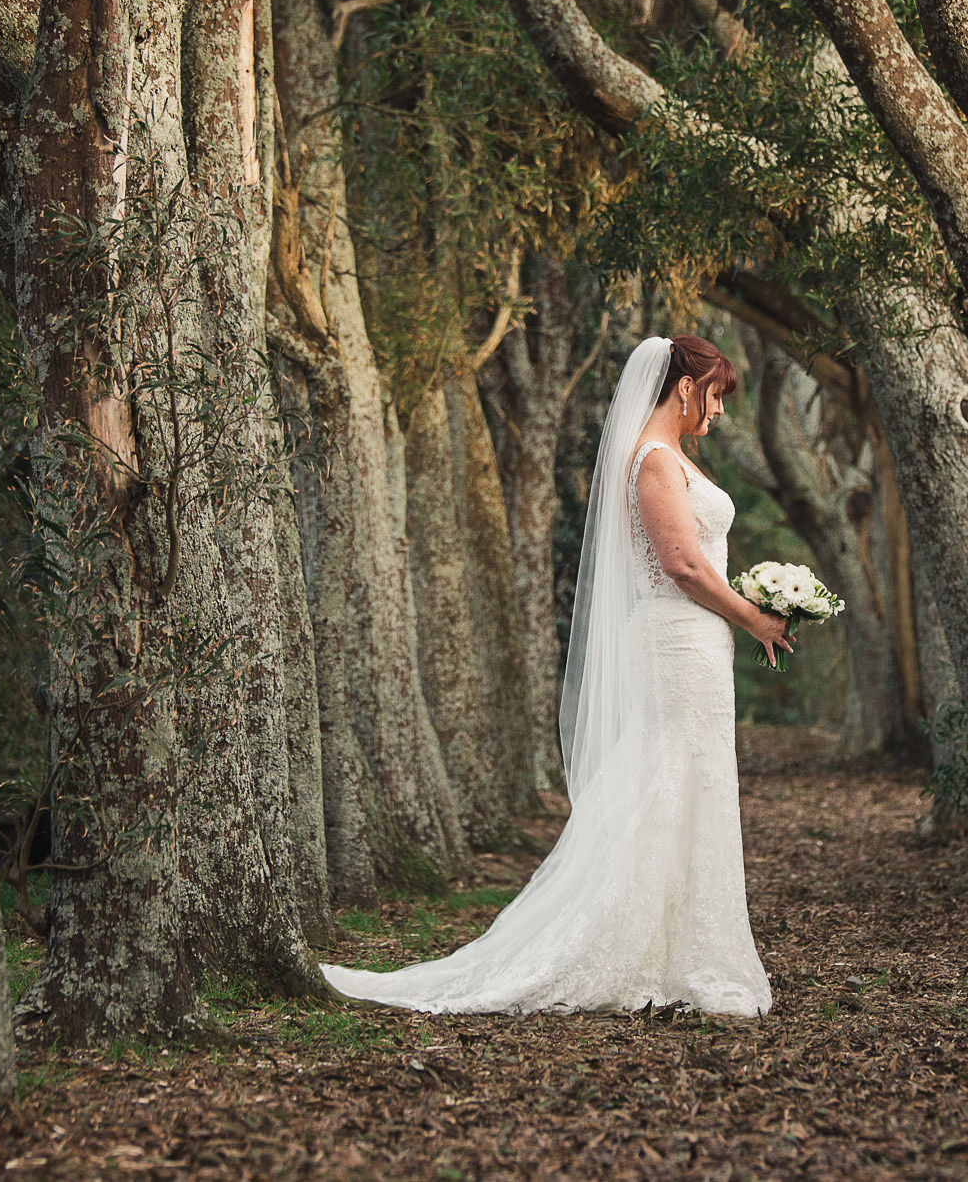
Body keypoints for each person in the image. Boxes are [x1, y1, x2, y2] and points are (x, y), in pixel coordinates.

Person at [319, 335, 792, 1016]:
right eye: (715, 394)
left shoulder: (675, 458)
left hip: (697, 643)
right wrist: (755, 616)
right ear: (685, 386)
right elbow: (684, 567)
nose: (718, 411)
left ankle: (683, 945)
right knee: (667, 775)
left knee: (691, 779)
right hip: (676, 639)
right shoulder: (655, 462)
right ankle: (622, 943)